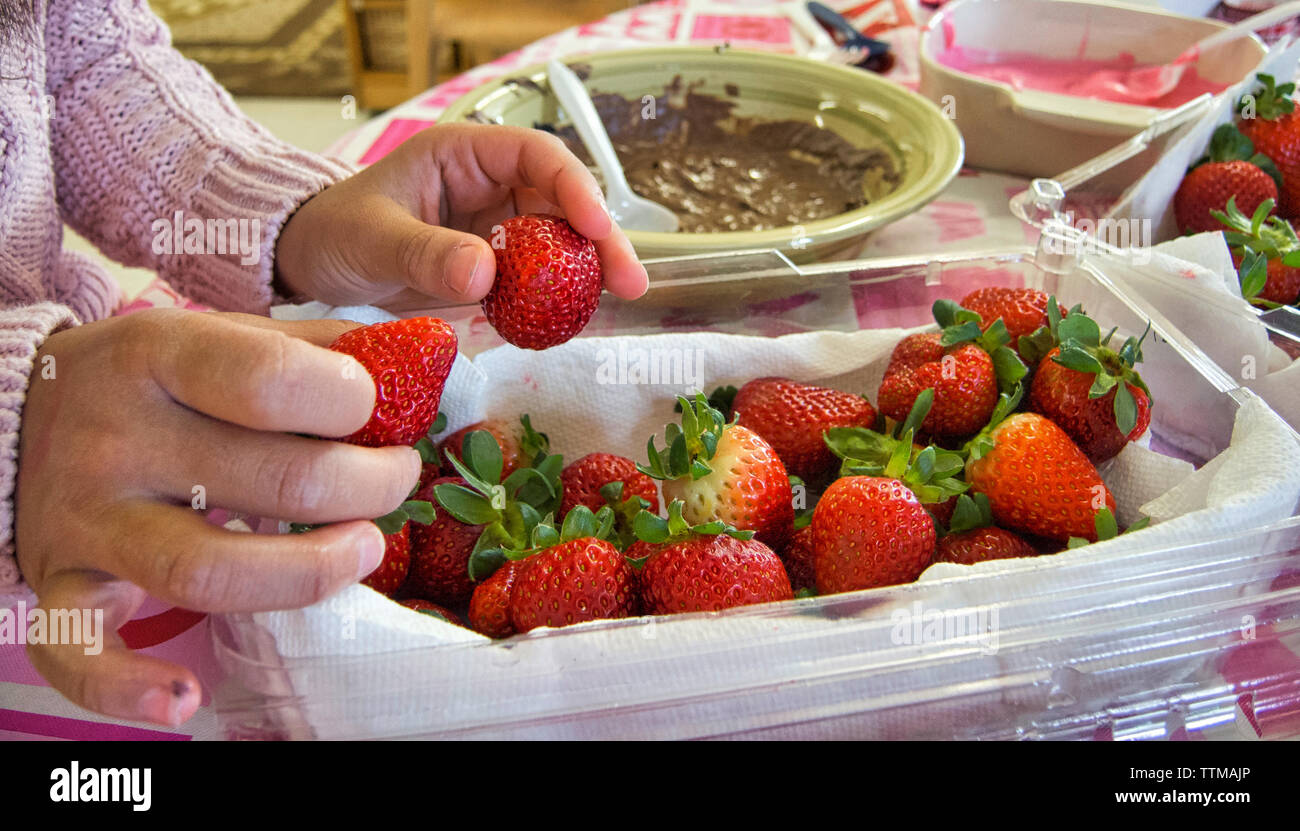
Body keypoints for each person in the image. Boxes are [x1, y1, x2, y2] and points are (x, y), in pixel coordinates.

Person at [0, 0, 647, 727]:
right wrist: (17, 430)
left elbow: (81, 58)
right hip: (65, 488)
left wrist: (295, 224)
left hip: (99, 456)